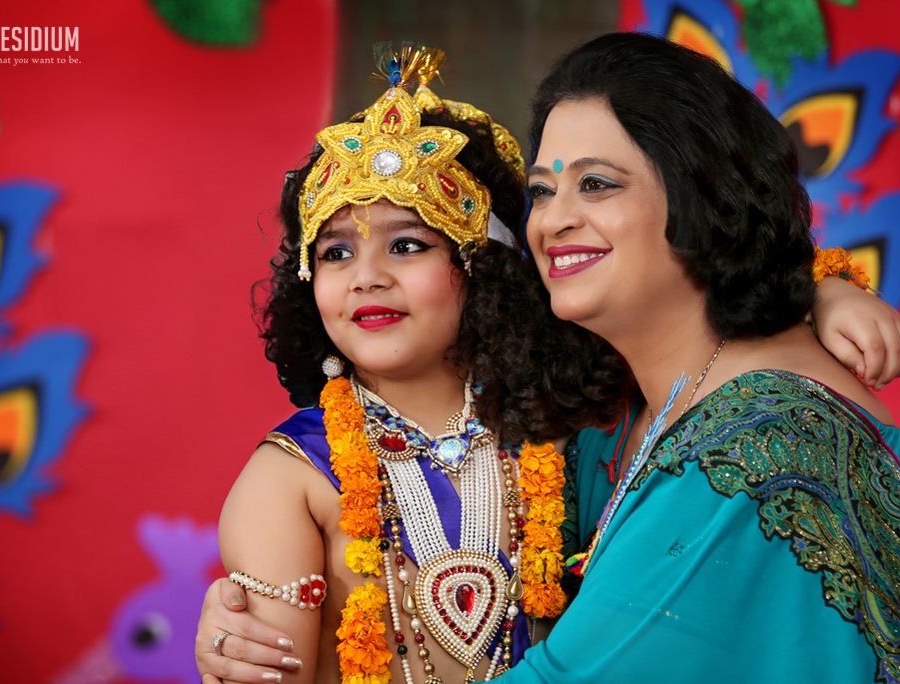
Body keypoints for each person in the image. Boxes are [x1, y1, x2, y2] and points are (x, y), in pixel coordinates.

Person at [197, 39, 900, 684]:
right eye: (544, 192)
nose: (554, 219)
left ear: (704, 197)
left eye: (598, 183)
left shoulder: (759, 444)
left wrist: (820, 286)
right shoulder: (616, 408)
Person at [210, 47, 626, 684]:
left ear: (483, 268)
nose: (366, 278)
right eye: (336, 253)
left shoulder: (564, 422)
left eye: (407, 245)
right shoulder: (287, 481)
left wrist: (824, 293)